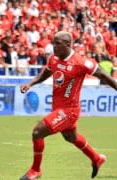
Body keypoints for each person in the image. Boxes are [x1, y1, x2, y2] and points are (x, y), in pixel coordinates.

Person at [19, 31, 117, 180]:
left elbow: (103, 75)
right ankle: (96, 158)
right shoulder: (54, 59)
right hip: (57, 108)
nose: (54, 47)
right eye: (53, 43)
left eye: (58, 44)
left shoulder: (81, 62)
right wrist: (30, 83)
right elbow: (47, 72)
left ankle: (35, 170)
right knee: (71, 137)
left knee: (37, 132)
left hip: (69, 111)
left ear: (68, 44)